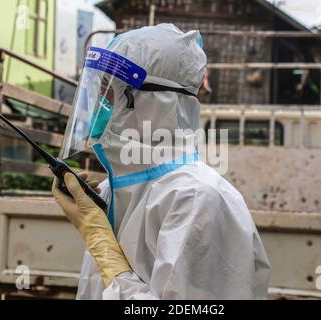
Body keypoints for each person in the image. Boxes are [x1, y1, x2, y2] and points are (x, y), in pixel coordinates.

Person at [53, 23, 270, 300]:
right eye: (99, 92)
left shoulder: (197, 199)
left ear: (153, 103)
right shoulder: (110, 190)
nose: (99, 106)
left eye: (111, 94)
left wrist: (103, 246)